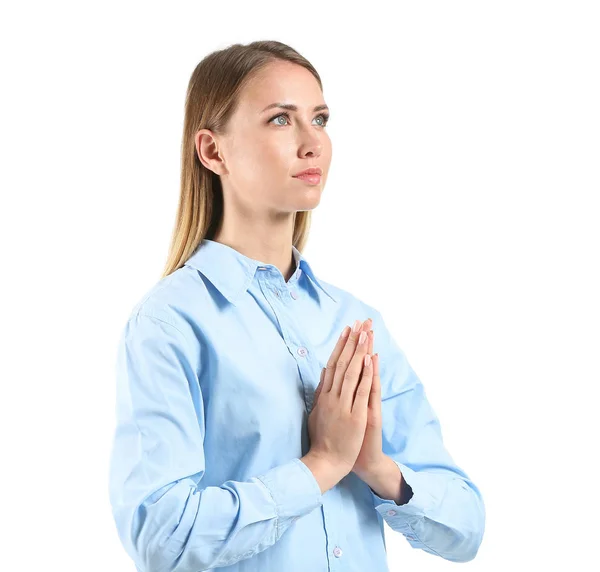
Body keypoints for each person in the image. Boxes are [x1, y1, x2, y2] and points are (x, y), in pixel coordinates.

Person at [108, 40, 486, 572]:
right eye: (281, 120)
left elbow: (466, 529)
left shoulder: (356, 322)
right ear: (214, 151)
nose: (313, 144)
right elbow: (162, 536)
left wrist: (377, 468)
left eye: (321, 118)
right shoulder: (171, 322)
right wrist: (321, 465)